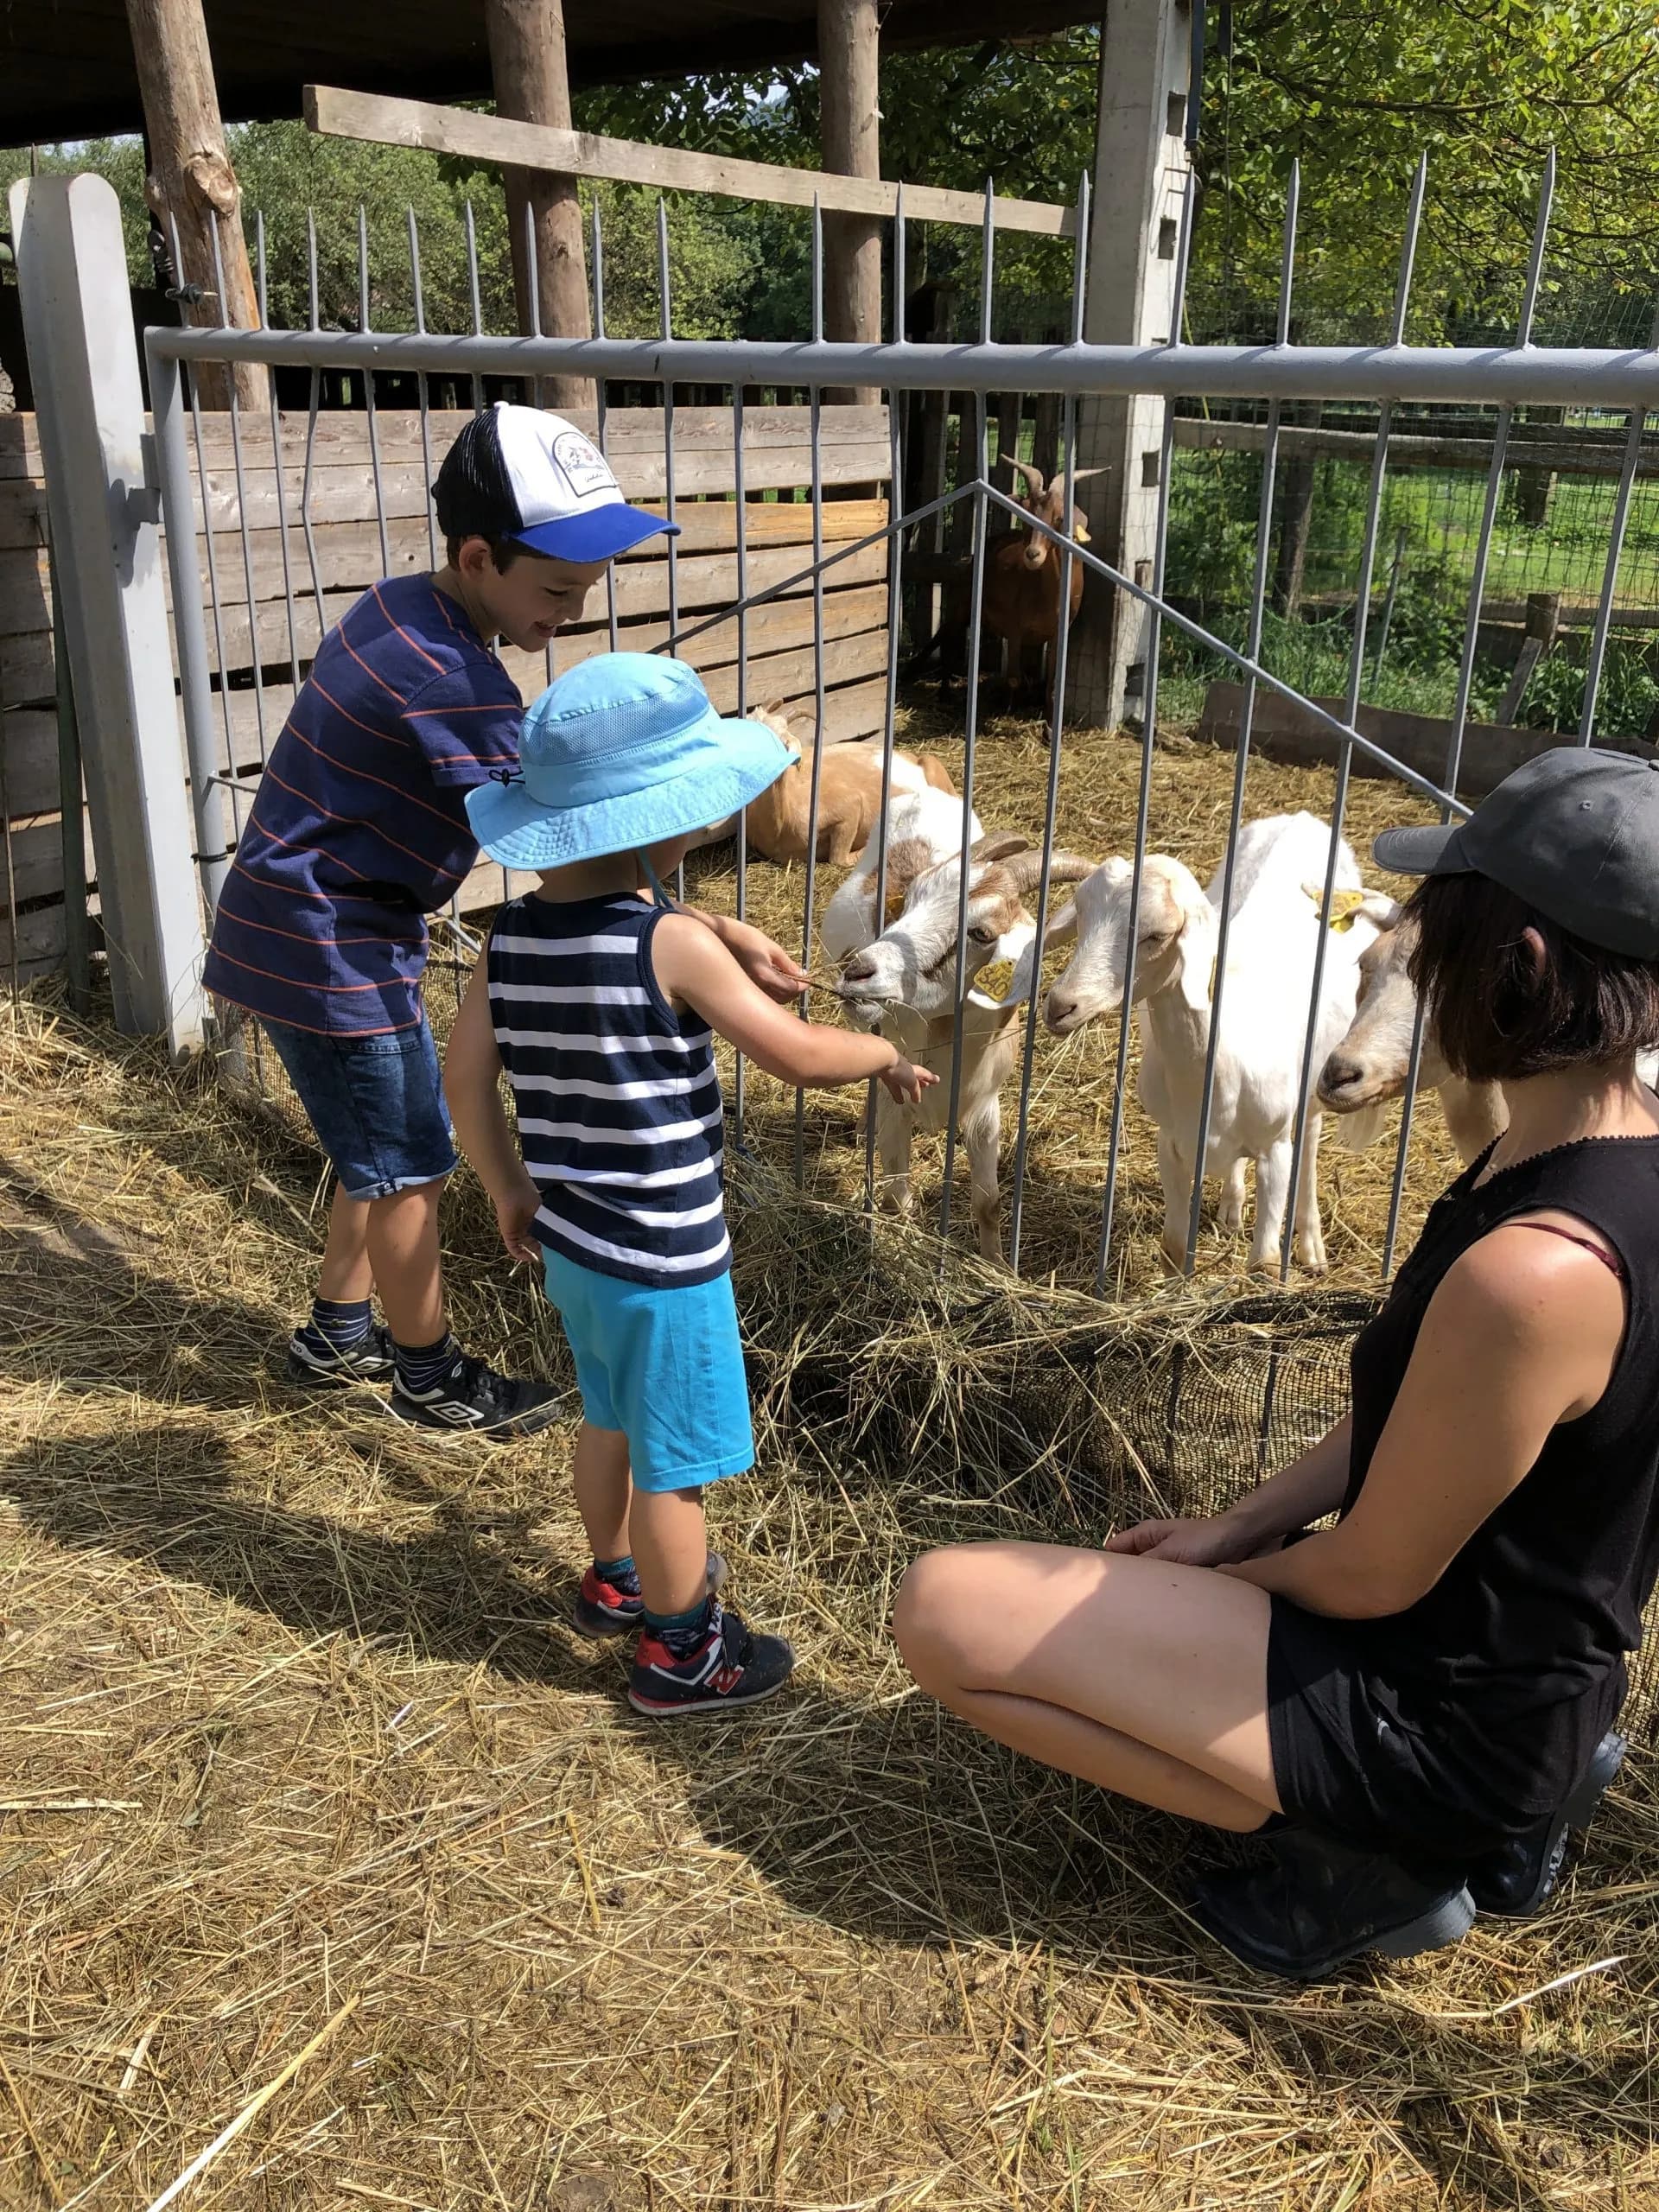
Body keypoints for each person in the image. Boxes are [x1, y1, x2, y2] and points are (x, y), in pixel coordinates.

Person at [893, 747, 1659, 1980]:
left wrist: (1239, 1577)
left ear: (1517, 967)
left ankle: (1378, 1858)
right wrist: (1237, 1525)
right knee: (1104, 1597)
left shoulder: (1541, 1269)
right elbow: (1440, 1422)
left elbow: (1370, 1577)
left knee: (943, 1613)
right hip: (1531, 1673)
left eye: (1426, 950)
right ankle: (1514, 1796)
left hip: (1443, 1718)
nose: (1399, 975)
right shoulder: (1581, 1155)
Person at [201, 403, 810, 1435]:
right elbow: (580, 842)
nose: (569, 613)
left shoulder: (404, 609)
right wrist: (692, 932)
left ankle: (338, 1328)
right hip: (326, 938)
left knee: (380, 1138)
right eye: (557, 591)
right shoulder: (451, 677)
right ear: (478, 555)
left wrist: (691, 922)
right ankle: (426, 1374)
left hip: (321, 916)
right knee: (410, 1162)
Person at [445, 651, 938, 1715]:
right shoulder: (666, 940)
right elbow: (797, 1054)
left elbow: (464, 1078)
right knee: (675, 1462)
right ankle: (683, 1649)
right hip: (666, 1257)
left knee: (607, 1416)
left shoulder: (512, 940)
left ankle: (615, 1577)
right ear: (667, 821)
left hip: (574, 1241)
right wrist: (882, 1055)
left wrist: (505, 1184)